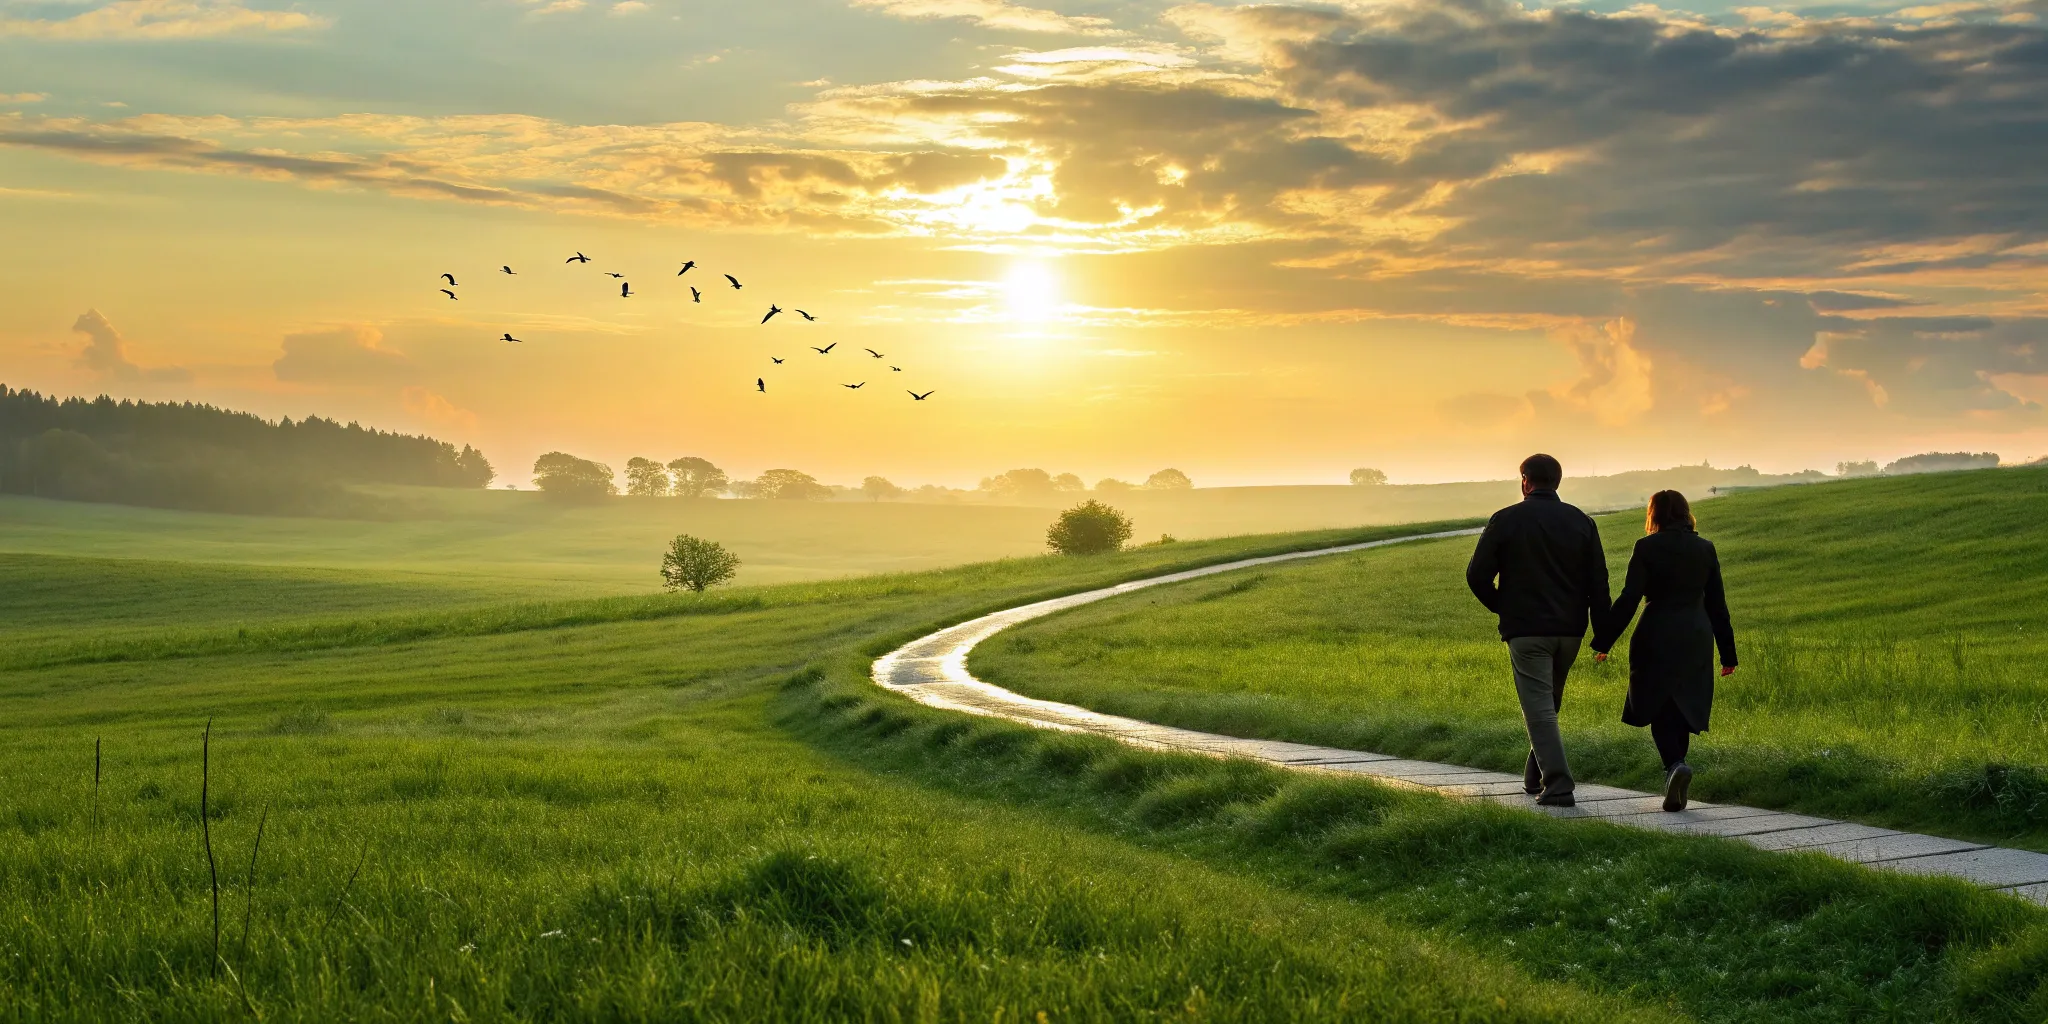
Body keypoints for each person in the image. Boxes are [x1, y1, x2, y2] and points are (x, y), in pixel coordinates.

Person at [1465, 454, 1613, 807]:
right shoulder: (1582, 522)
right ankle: (1535, 775)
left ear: (1525, 481)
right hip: (1571, 631)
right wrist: (1602, 633)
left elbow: (1476, 576)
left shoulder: (1506, 519)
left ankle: (1559, 785)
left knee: (1540, 709)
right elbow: (1599, 582)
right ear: (1557, 482)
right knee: (1548, 702)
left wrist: (1505, 607)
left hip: (1528, 631)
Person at [1591, 490, 1737, 812]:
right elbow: (1717, 604)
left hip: (1655, 631)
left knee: (1657, 702)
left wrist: (1604, 640)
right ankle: (1678, 767)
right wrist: (1728, 655)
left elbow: (1630, 597)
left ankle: (1674, 766)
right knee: (1683, 704)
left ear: (1654, 515)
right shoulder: (1705, 548)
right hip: (1696, 635)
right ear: (1686, 513)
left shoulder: (1647, 548)